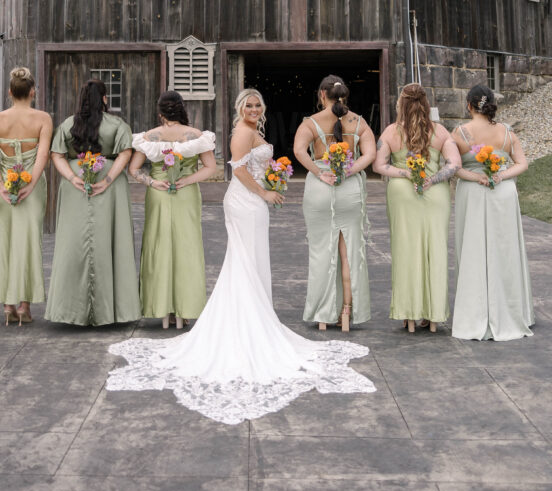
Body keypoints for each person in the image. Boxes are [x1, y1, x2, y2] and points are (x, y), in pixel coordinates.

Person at [106, 88, 376, 425]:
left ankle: (257, 316)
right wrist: (264, 190)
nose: (253, 108)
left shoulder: (256, 132)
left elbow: (254, 166)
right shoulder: (241, 133)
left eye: (257, 104)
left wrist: (272, 179)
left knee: (251, 261)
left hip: (255, 201)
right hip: (245, 200)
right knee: (244, 261)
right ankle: (247, 325)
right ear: (239, 108)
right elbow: (239, 170)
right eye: (248, 104)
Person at [45, 79, 140, 326]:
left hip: (75, 186)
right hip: (109, 186)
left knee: (73, 243)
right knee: (110, 241)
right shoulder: (117, 124)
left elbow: (57, 154)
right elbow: (125, 153)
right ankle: (111, 311)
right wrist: (108, 179)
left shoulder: (68, 123)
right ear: (104, 99)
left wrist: (72, 177)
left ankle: (70, 310)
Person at [373, 83, 460, 334]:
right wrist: (431, 179)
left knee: (406, 251)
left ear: (401, 103)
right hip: (435, 195)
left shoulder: (391, 132)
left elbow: (380, 166)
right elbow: (453, 164)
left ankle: (408, 314)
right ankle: (432, 317)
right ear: (425, 103)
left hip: (402, 192)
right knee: (436, 251)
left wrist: (406, 174)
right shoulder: (440, 131)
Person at [451, 84, 534, 341]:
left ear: (468, 105)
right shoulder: (506, 132)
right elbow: (522, 163)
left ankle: (474, 313)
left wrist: (478, 177)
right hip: (503, 195)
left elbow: (454, 167)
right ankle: (510, 311)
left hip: (474, 194)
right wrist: (499, 176)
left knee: (473, 250)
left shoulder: (461, 133)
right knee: (505, 252)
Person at [293, 75, 375, 331]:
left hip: (321, 188)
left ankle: (323, 314)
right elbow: (370, 154)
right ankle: (348, 313)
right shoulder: (359, 122)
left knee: (321, 252)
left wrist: (319, 172)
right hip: (350, 190)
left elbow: (298, 151)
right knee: (350, 252)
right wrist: (350, 171)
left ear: (321, 95)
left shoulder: (311, 123)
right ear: (344, 96)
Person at [129, 90, 217, 328]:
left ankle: (162, 309)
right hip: (186, 193)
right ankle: (184, 309)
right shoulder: (196, 135)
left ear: (160, 113)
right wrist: (187, 180)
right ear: (182, 109)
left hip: (158, 194)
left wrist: (153, 182)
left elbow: (134, 170)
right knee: (186, 247)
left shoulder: (149, 137)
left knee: (158, 246)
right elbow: (210, 168)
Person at [0, 67, 53, 326]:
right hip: (32, 189)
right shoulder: (43, 118)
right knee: (29, 242)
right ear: (32, 92)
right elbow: (43, 156)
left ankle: (7, 305)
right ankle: (25, 306)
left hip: (2, 187)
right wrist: (31, 184)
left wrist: (0, 184)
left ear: (10, 92)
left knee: (3, 241)